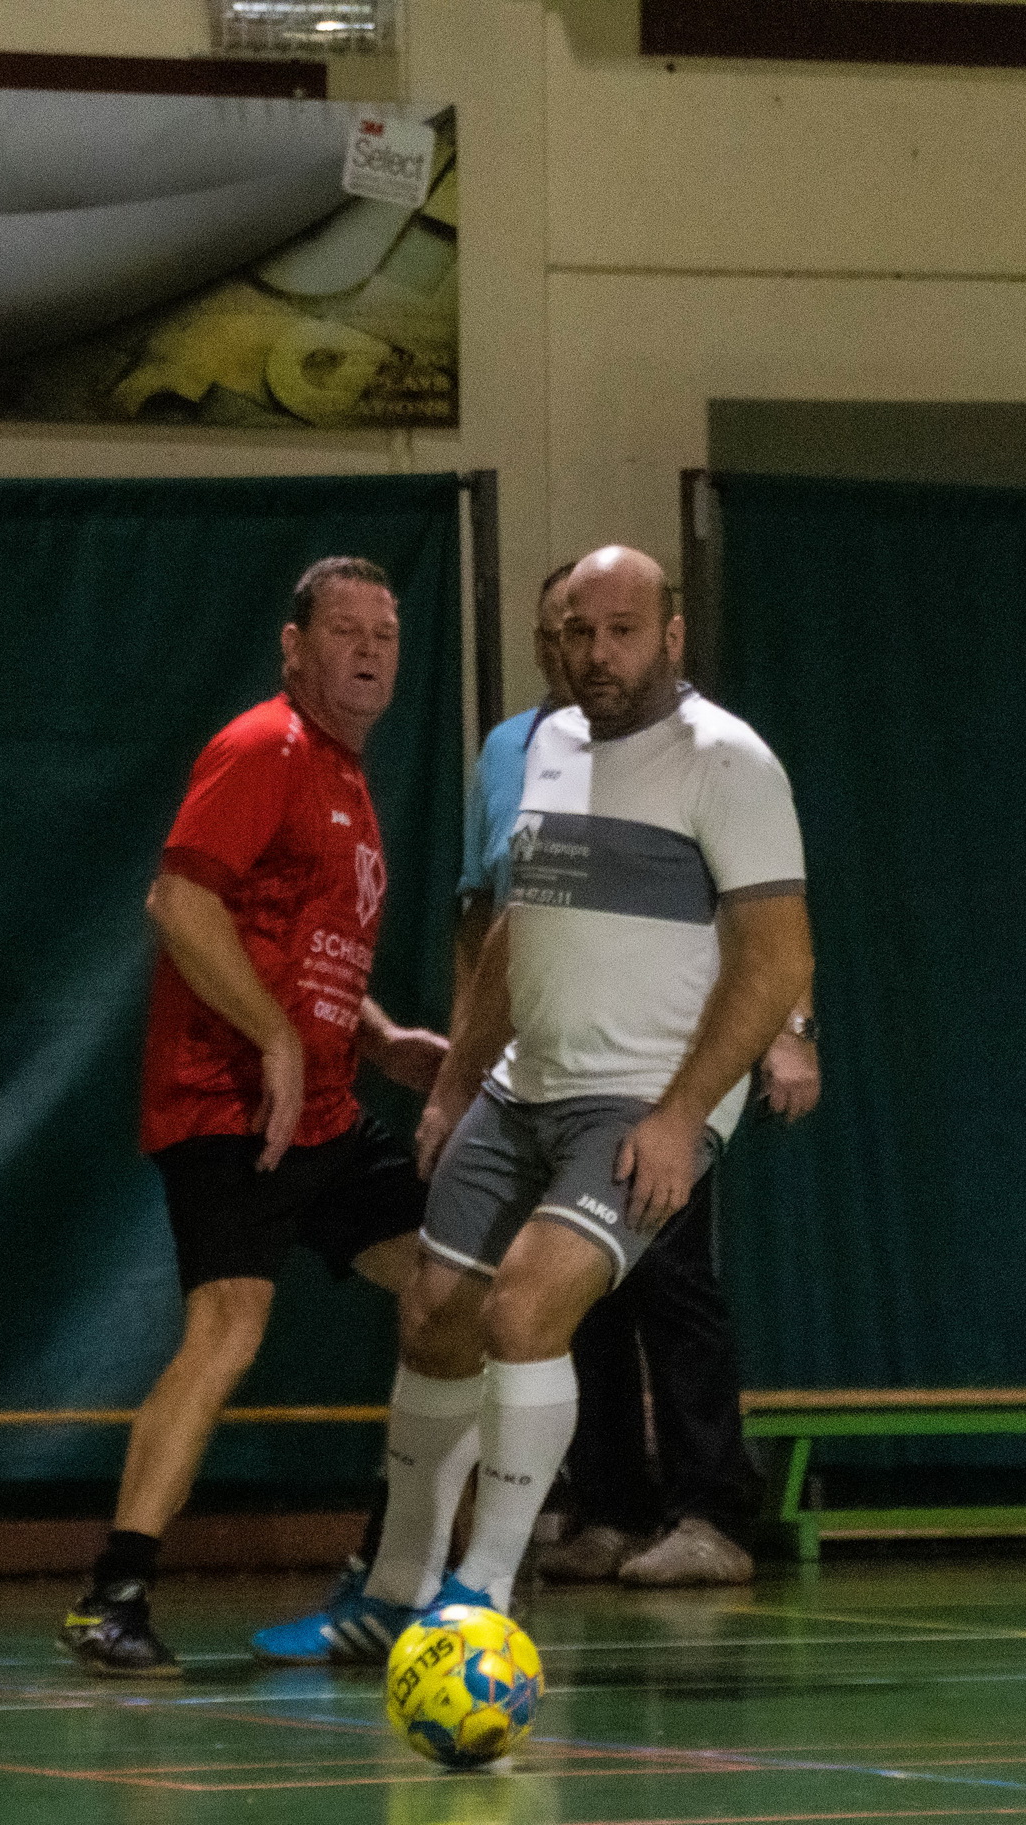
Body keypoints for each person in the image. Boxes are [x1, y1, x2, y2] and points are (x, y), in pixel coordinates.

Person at [361, 545, 812, 1629]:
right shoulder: (547, 746)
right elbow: (520, 924)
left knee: (526, 1308)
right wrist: (453, 1085)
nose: (597, 653)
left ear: (672, 636)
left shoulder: (728, 761)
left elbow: (777, 956)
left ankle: (480, 1597)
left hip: (640, 1100)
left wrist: (681, 1115)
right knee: (433, 1319)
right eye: (578, 632)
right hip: (522, 1089)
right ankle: (390, 1593)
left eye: (621, 630)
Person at [64, 555, 447, 1676]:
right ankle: (111, 1596)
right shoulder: (263, 746)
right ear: (294, 646)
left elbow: (296, 938)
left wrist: (376, 1038)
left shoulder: (347, 777)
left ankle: (394, 1572)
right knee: (229, 1327)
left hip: (324, 1111)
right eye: (345, 630)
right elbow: (182, 901)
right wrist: (275, 1037)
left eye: (385, 632)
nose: (369, 649)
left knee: (455, 1297)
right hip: (229, 1103)